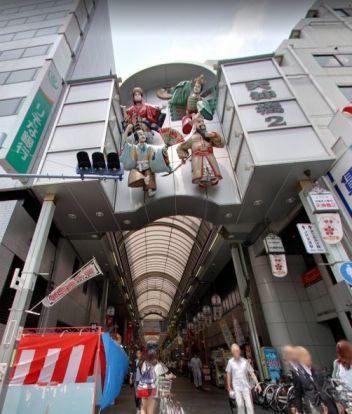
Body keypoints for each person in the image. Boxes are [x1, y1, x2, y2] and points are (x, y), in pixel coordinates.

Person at [176, 113, 225, 188]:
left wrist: (215, 135)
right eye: (199, 122)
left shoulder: (209, 135)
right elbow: (180, 147)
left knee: (212, 171)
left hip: (210, 157)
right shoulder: (191, 138)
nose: (202, 123)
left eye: (202, 121)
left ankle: (214, 177)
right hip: (197, 159)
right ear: (193, 125)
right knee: (200, 173)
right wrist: (183, 156)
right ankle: (201, 180)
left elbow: (221, 144)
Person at [292, 346, 338, 414]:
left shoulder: (317, 368)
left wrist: (338, 401)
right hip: (315, 405)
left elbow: (328, 385)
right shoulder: (297, 374)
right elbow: (298, 394)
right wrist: (299, 411)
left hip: (328, 402)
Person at [226, 343, 261, 414]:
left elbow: (252, 373)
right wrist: (229, 386)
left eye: (237, 350)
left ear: (239, 351)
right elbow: (228, 374)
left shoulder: (245, 361)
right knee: (240, 405)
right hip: (236, 386)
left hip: (246, 386)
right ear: (232, 352)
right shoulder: (230, 362)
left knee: (249, 405)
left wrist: (258, 384)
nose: (236, 352)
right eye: (234, 351)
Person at [130, 350, 144, 414]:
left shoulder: (143, 362)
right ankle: (137, 407)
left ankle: (139, 407)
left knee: (141, 394)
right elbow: (132, 370)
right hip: (135, 380)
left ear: (141, 354)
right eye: (137, 353)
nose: (138, 354)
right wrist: (130, 378)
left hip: (142, 380)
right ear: (136, 354)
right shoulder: (134, 361)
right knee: (136, 395)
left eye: (139, 353)